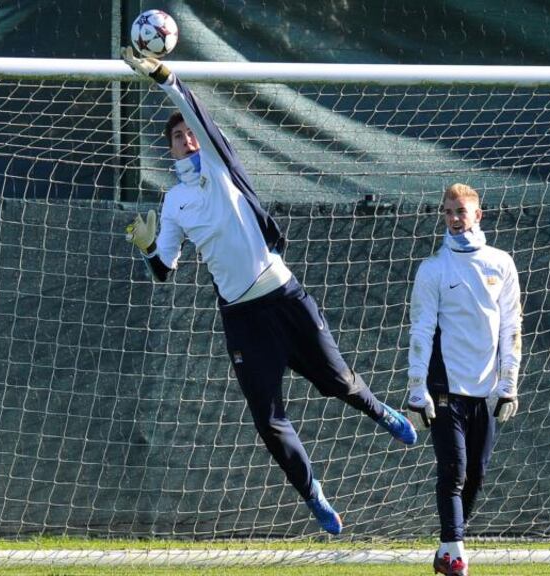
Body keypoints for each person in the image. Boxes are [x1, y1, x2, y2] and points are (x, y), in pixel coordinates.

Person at [121, 47, 417, 535]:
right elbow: (165, 269)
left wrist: (164, 76)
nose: (187, 139)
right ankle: (313, 493)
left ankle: (380, 411)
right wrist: (148, 247)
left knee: (337, 384)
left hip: (284, 299)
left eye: (191, 133)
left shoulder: (218, 167)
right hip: (242, 320)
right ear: (168, 150)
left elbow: (198, 115)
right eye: (177, 137)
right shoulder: (173, 201)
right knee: (268, 420)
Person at [406, 183, 522, 576]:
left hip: (485, 391)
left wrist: (509, 383)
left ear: (478, 215)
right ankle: (457, 558)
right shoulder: (433, 269)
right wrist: (416, 387)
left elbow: (511, 326)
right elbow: (421, 330)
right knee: (453, 471)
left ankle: (446, 548)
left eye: (461, 211)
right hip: (444, 391)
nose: (455, 219)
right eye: (449, 212)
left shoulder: (502, 263)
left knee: (476, 474)